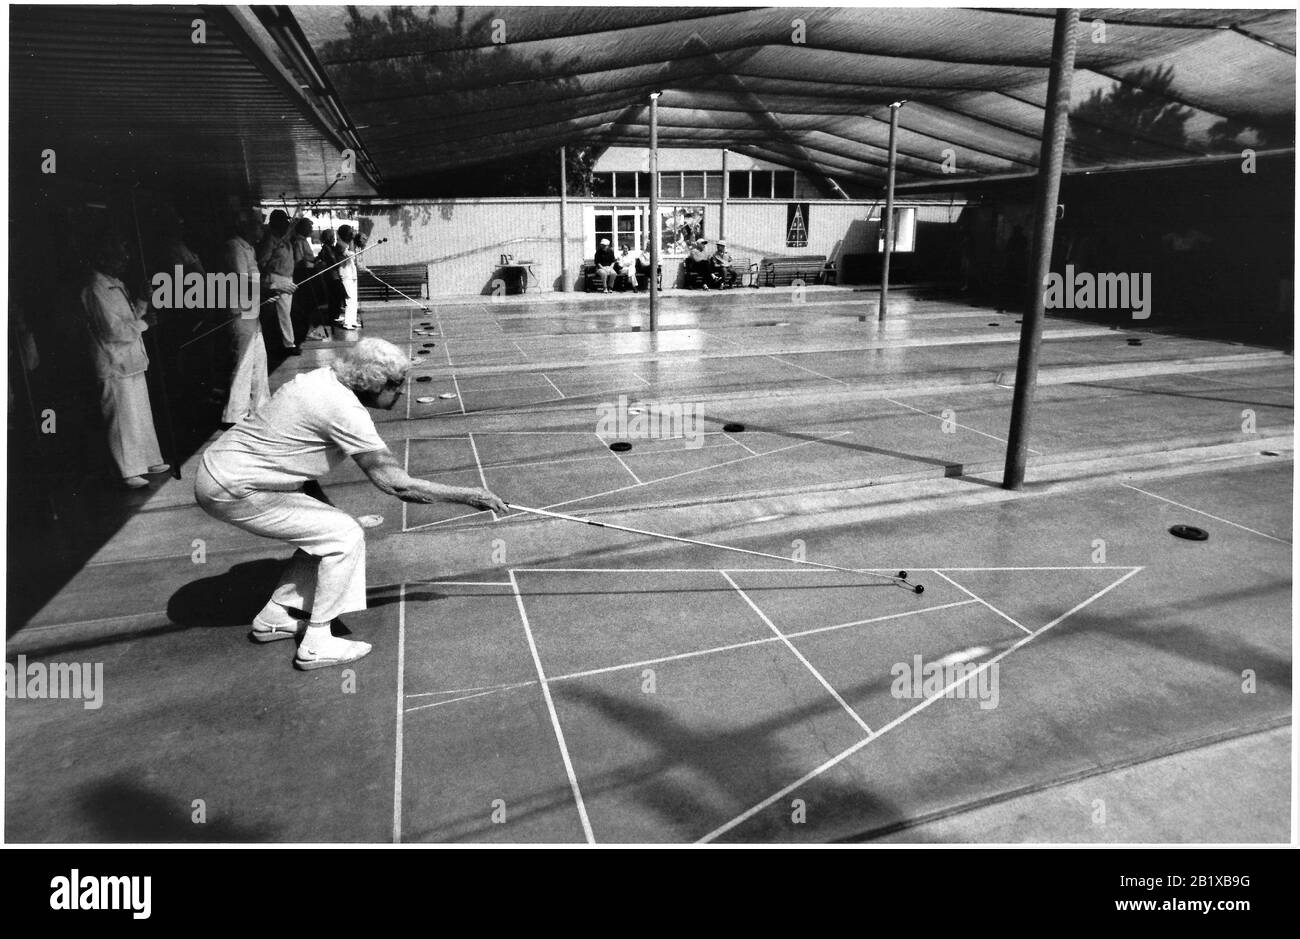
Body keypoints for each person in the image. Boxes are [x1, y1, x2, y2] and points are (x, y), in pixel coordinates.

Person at [195, 338, 508, 670]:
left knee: (328, 530)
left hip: (223, 471)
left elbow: (294, 461)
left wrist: (327, 512)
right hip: (232, 488)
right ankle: (316, 643)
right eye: (396, 384)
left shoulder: (321, 380)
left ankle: (276, 616)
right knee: (343, 536)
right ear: (373, 382)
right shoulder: (343, 410)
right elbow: (396, 484)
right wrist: (471, 496)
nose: (402, 391)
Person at [80, 235, 170, 488]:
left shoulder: (115, 284)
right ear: (102, 257)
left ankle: (149, 459)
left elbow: (130, 317)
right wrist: (144, 323)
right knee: (121, 417)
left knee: (140, 414)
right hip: (113, 363)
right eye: (119, 255)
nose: (125, 260)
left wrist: (142, 301)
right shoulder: (95, 288)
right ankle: (128, 470)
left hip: (131, 359)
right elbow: (112, 330)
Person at [222, 209, 269, 427]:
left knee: (259, 360)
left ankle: (259, 407)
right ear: (246, 226)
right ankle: (234, 414)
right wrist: (271, 286)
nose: (262, 229)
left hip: (252, 310)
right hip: (239, 311)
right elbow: (240, 280)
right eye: (259, 225)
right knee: (243, 362)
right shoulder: (234, 247)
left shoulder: (249, 248)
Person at [256, 209, 299, 354]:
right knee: (283, 313)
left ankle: (284, 341)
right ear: (276, 223)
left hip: (288, 277)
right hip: (276, 277)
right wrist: (270, 282)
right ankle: (288, 345)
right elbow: (262, 261)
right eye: (283, 221)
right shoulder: (270, 240)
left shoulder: (285, 239)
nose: (286, 223)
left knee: (285, 312)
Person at [336, 225, 360, 329]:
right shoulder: (340, 244)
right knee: (349, 298)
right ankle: (347, 322)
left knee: (354, 299)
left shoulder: (346, 243)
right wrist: (352, 249)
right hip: (345, 275)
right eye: (350, 232)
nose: (352, 234)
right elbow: (349, 254)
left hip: (351, 274)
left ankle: (352, 320)